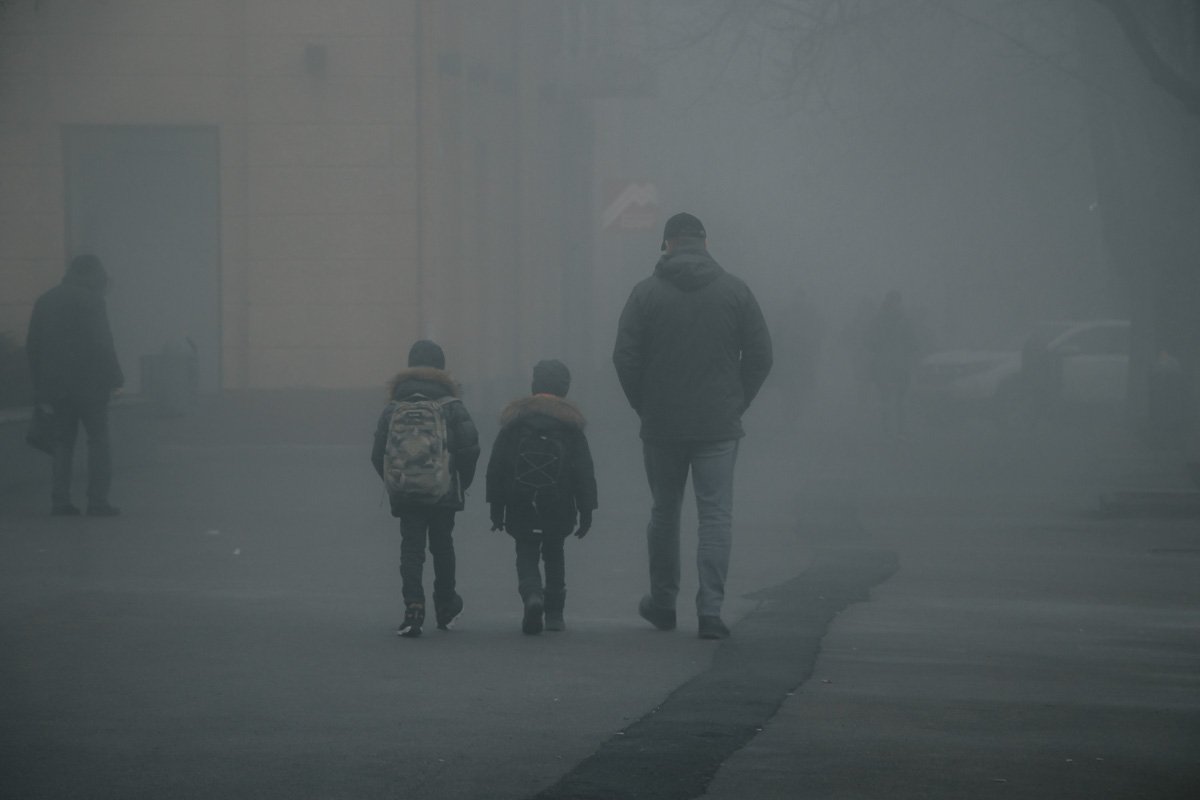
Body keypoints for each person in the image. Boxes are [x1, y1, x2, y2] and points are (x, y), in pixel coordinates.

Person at [613, 212, 773, 640]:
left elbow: (624, 357)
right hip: (718, 425)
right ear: (705, 243)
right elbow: (761, 355)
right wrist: (736, 401)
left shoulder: (645, 294)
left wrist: (644, 404)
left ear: (667, 244)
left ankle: (663, 604)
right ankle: (710, 612)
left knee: (665, 512)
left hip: (662, 423)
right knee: (715, 515)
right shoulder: (735, 291)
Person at [371, 340, 480, 638]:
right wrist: (459, 481)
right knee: (443, 545)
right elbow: (471, 447)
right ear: (442, 369)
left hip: (407, 491)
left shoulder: (393, 407)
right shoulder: (452, 406)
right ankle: (445, 606)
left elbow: (377, 452)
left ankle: (413, 609)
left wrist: (396, 480)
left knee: (412, 548)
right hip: (443, 490)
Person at [486, 359, 597, 634]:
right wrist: (586, 510)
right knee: (554, 553)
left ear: (533, 386)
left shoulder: (514, 423)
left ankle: (532, 595)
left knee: (526, 551)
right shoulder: (571, 427)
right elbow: (584, 471)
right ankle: (555, 613)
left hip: (520, 500)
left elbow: (497, 467)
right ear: (565, 389)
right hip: (558, 503)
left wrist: (496, 508)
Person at [25, 254, 125, 516]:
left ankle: (60, 501)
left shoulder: (45, 300)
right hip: (91, 385)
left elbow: (33, 347)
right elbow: (103, 342)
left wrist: (39, 387)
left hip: (56, 387)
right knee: (99, 441)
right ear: (91, 273)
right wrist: (115, 378)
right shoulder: (92, 301)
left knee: (63, 443)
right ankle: (97, 501)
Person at [866, 289, 919, 439]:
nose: (897, 305)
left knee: (892, 399)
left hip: (889, 364)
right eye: (896, 302)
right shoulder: (902, 320)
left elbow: (869, 341)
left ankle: (891, 430)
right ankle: (896, 430)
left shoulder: (879, 320)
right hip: (895, 364)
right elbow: (913, 342)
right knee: (894, 400)